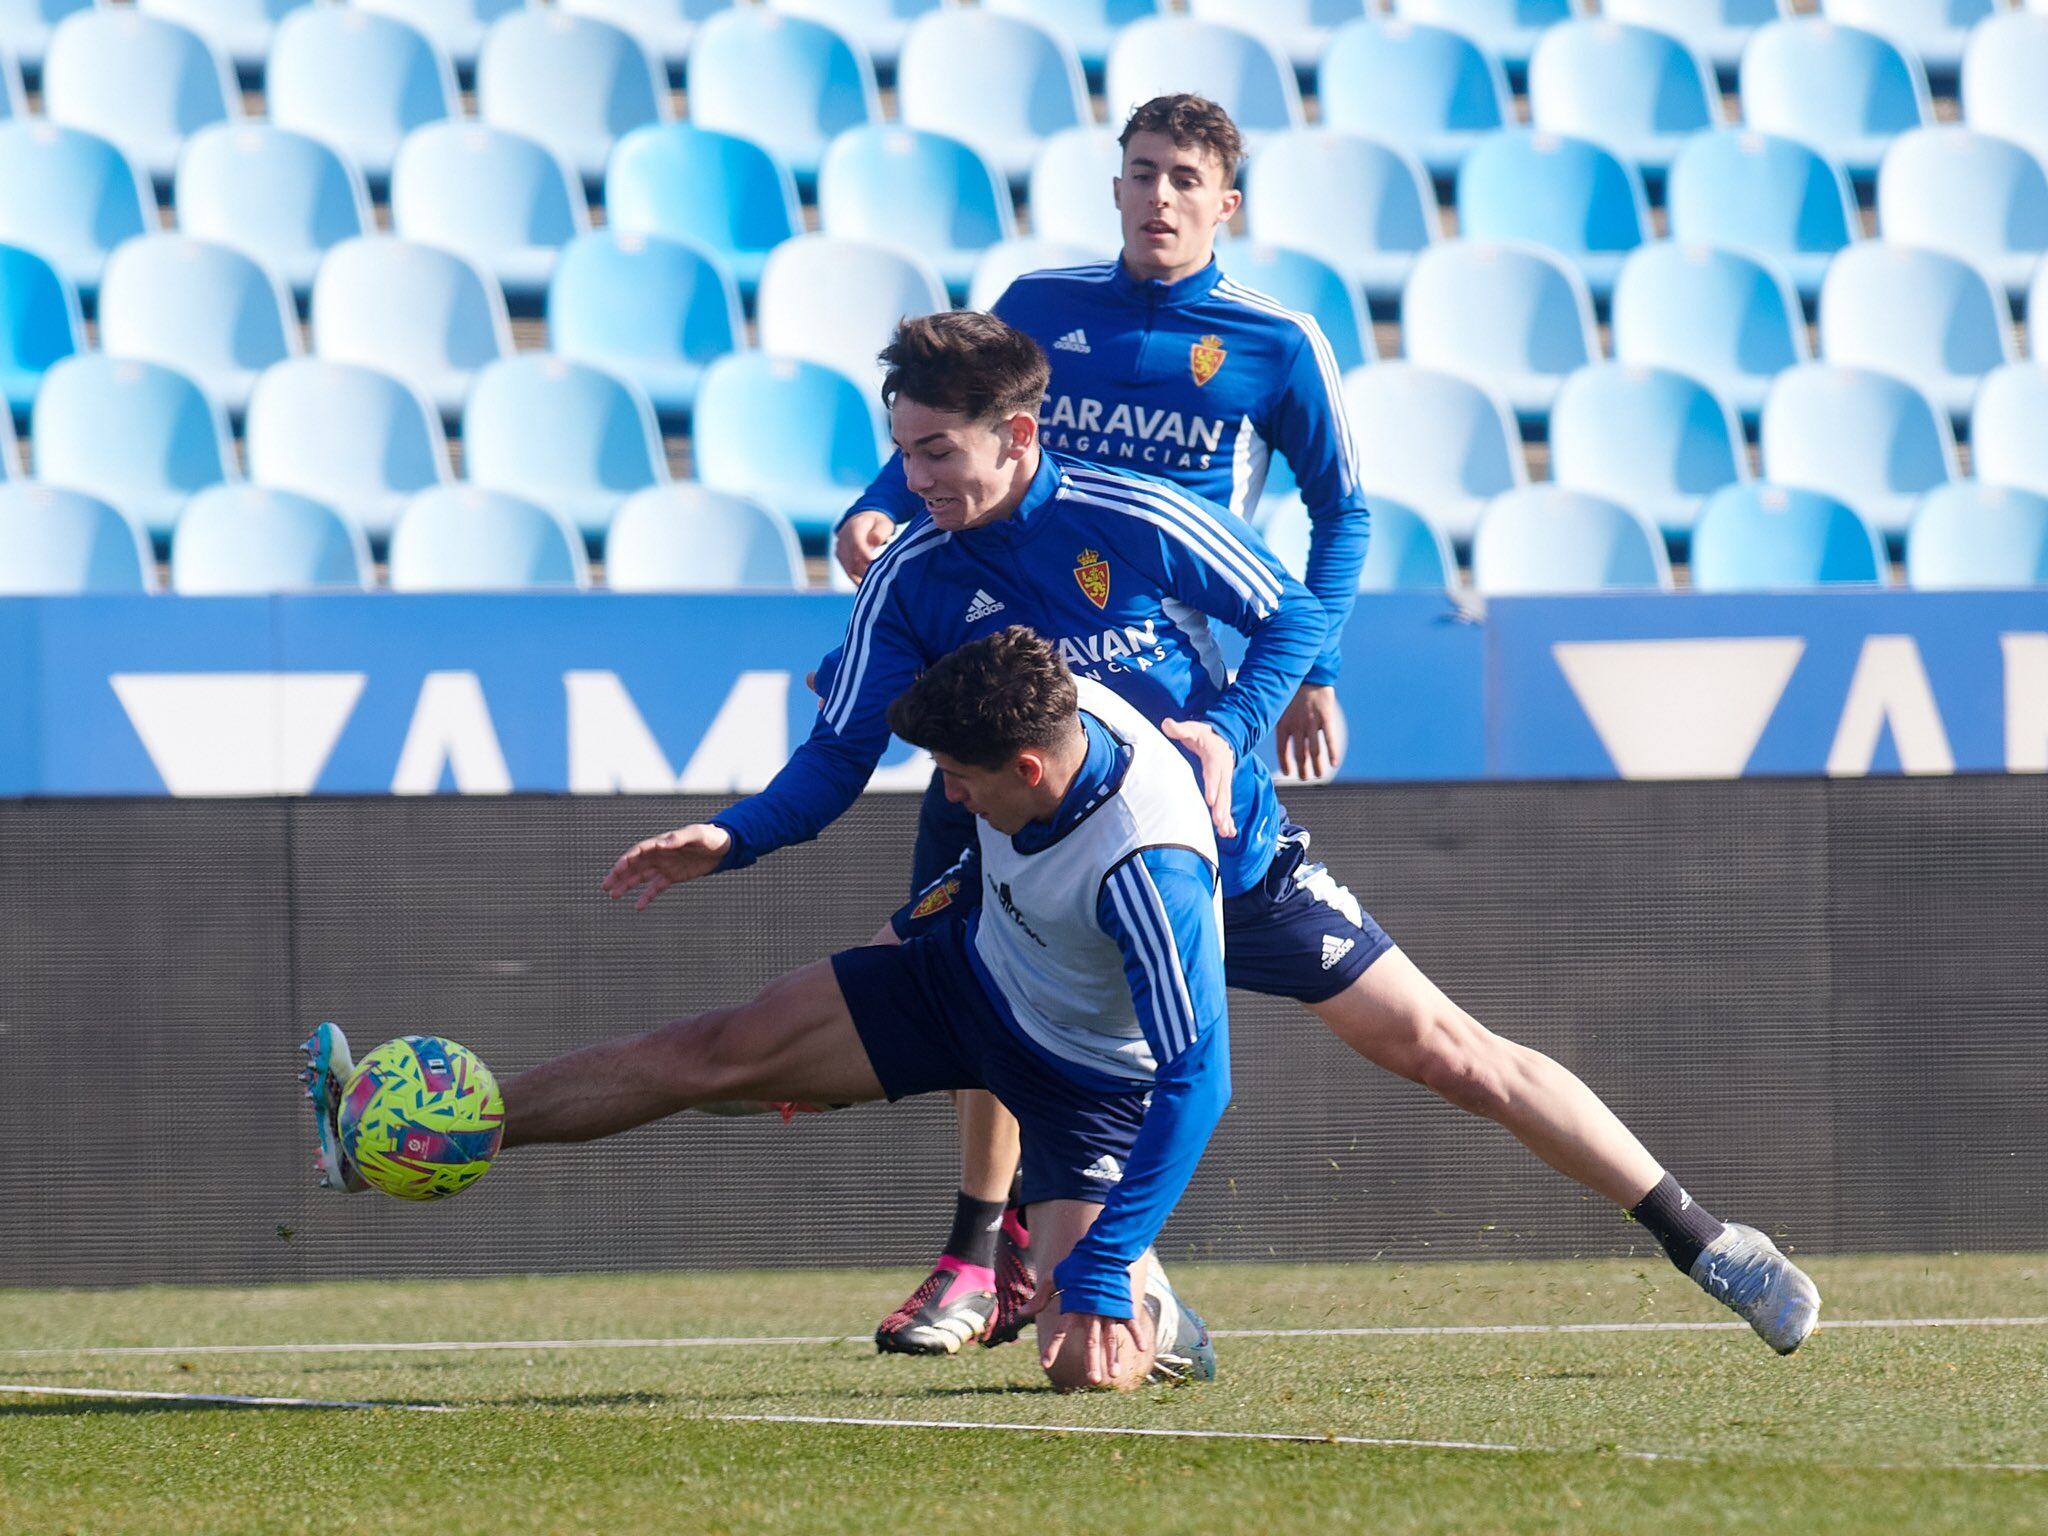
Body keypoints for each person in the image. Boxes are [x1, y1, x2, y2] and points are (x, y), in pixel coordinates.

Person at [609, 309, 1823, 1361]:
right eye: (901, 453)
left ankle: (1702, 1239)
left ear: (1016, 434)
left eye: (933, 452)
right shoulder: (911, 576)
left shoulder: (1127, 513)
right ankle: (1033, 1273)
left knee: (1448, 1051)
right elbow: (837, 754)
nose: (909, 481)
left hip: (1218, 859)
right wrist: (733, 835)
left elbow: (1289, 611)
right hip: (1035, 897)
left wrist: (1229, 728)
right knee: (826, 1062)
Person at [304, 629, 1231, 1392]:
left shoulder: (1150, 871)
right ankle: (425, 1131)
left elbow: (1200, 1080)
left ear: (1028, 769)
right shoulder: (1059, 698)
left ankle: (1157, 1304)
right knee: (719, 1055)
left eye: (957, 776)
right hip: (970, 971)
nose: (948, 793)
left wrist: (1108, 1259)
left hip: (1083, 1077)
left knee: (1080, 1369)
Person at [837, 94, 1378, 1349]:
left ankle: (1080, 1245)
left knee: (1155, 969)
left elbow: (1341, 515)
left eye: (1184, 178)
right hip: (1014, 671)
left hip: (1167, 688)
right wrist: (875, 505)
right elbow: (943, 413)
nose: (1158, 198)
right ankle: (980, 1244)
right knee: (977, 937)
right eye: (1139, 173)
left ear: (1224, 201)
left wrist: (1314, 667)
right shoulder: (1038, 302)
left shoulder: (1271, 339)